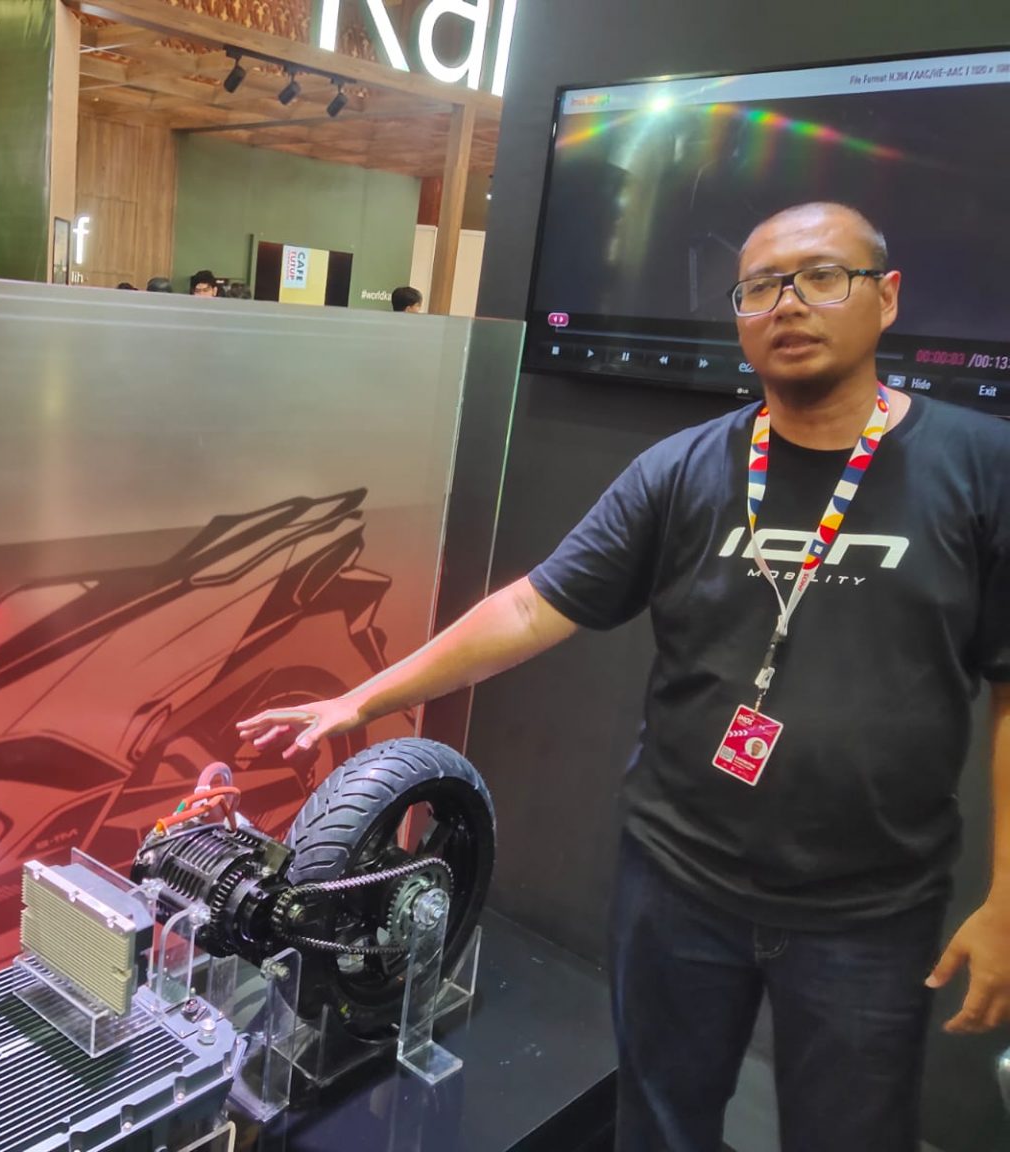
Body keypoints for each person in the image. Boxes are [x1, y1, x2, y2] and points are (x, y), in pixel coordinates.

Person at [239, 202, 1010, 1152]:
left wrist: (1009, 899)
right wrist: (363, 696)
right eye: (760, 287)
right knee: (658, 1126)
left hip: (871, 907)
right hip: (678, 881)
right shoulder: (682, 469)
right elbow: (531, 607)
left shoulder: (982, 469)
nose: (788, 304)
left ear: (885, 297)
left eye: (821, 276)